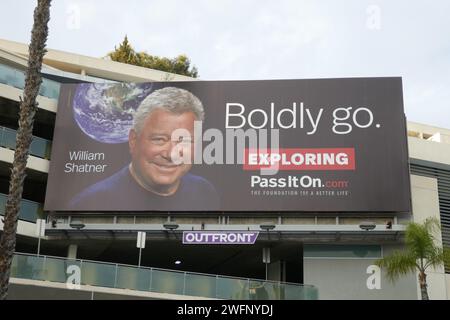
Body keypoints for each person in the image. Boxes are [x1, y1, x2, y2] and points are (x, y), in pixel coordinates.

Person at [69, 87, 220, 211]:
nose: (171, 154)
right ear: (133, 140)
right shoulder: (90, 203)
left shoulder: (204, 191)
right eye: (160, 139)